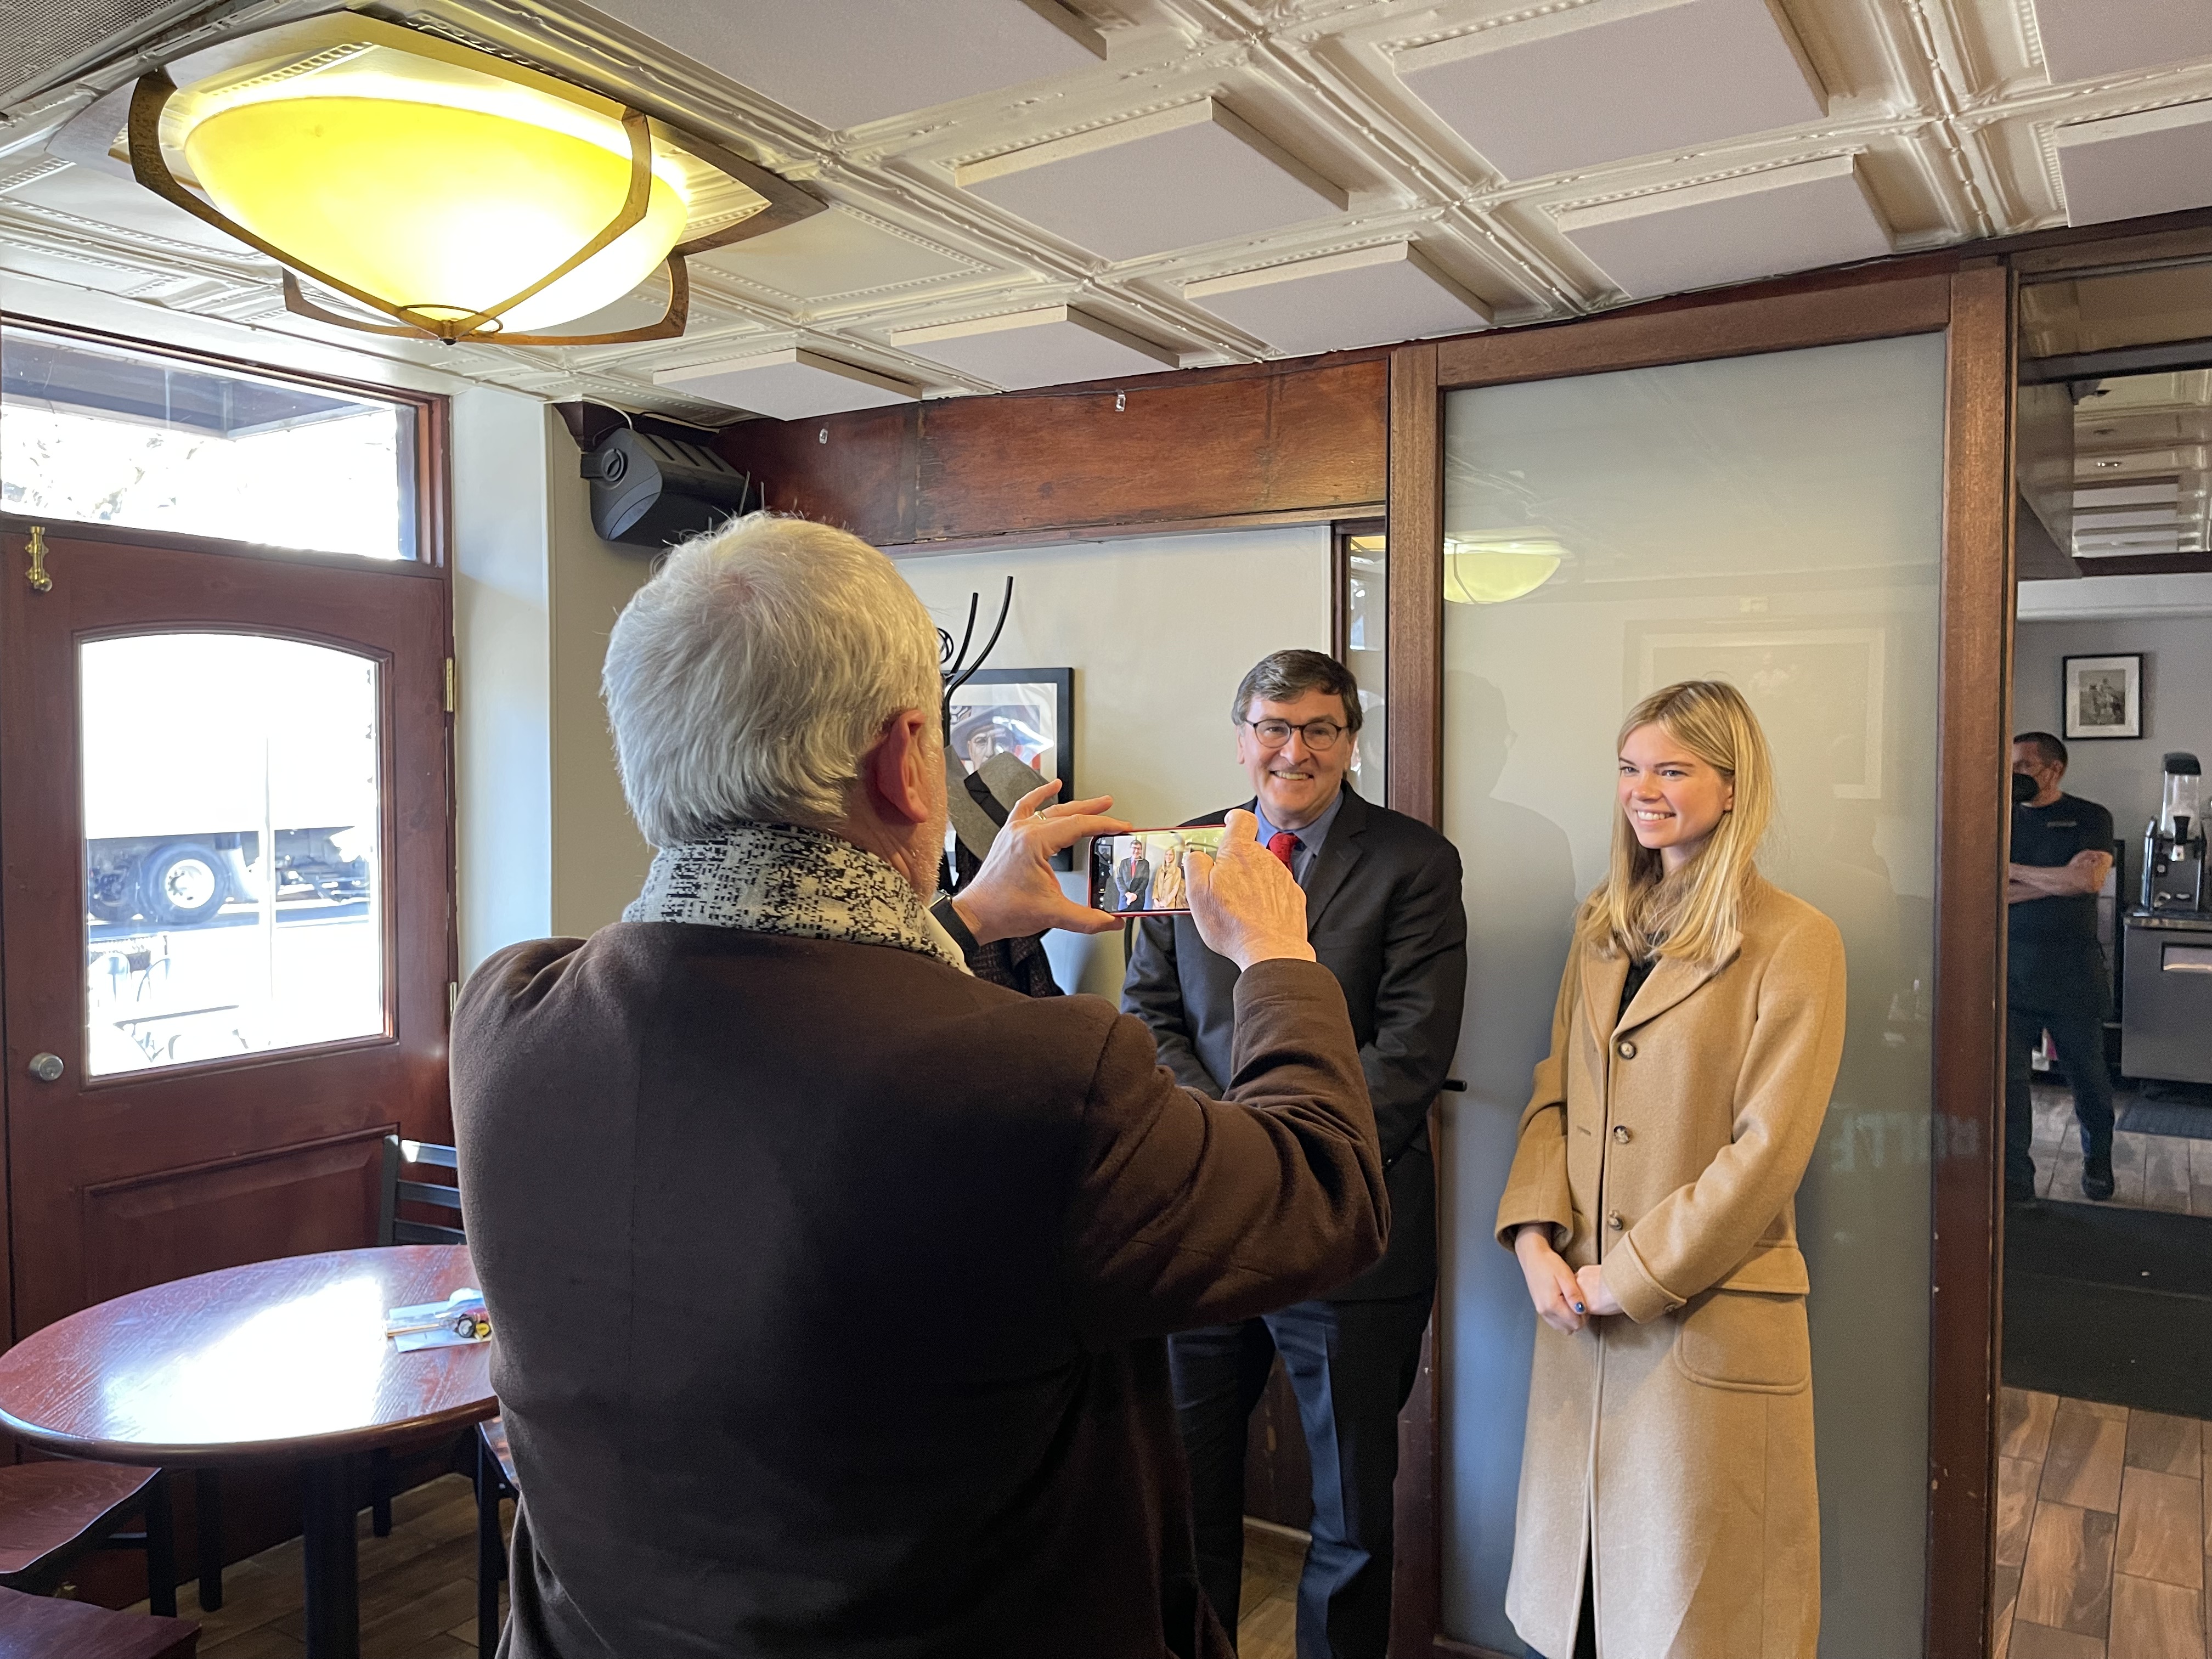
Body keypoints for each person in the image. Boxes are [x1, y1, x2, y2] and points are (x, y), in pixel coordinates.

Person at [451, 516, 1391, 1659]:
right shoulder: (1038, 1076)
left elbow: (816, 1013)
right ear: (907, 761)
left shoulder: (507, 1015)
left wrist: (963, 916)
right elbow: (1323, 1189)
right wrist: (1279, 953)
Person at [1122, 648, 1466, 1658]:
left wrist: (1292, 1163)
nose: (1295, 749)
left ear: (1351, 741)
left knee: (1352, 1515)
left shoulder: (1414, 862)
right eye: (1273, 727)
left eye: (1320, 728)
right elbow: (1148, 1016)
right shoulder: (1189, 851)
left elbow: (1412, 1050)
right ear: (1242, 738)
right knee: (1188, 1495)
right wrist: (1228, 1149)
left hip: (1349, 1227)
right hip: (1202, 1223)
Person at [1496, 680, 1845, 1659]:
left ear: (1732, 787)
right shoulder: (1601, 924)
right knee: (1581, 1614)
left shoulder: (1796, 940)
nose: (1642, 790)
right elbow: (1554, 1090)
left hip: (1701, 1323)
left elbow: (1768, 1151)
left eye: (1671, 770)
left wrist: (1633, 1275)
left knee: (1692, 1622)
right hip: (1575, 1315)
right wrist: (1533, 1239)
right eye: (1629, 767)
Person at [2006, 731, 2117, 1205]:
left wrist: (2013, 870)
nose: (2014, 776)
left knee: (2089, 1079)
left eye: (2024, 767)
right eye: (2010, 766)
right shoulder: (1999, 817)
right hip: (2011, 973)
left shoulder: (2091, 817)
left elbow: (2088, 880)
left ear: (2055, 770)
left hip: (2073, 973)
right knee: (2010, 1086)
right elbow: (1984, 888)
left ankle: (2099, 1161)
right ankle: (2017, 1182)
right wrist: (2060, 880)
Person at [1116, 838, 1154, 911]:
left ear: (1141, 850)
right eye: (1134, 848)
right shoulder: (1124, 862)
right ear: (1130, 849)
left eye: (1139, 849)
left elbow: (1145, 881)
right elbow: (1119, 879)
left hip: (1138, 899)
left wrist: (1135, 895)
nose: (1136, 851)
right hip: (1124, 898)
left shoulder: (1145, 863)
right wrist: (1127, 893)